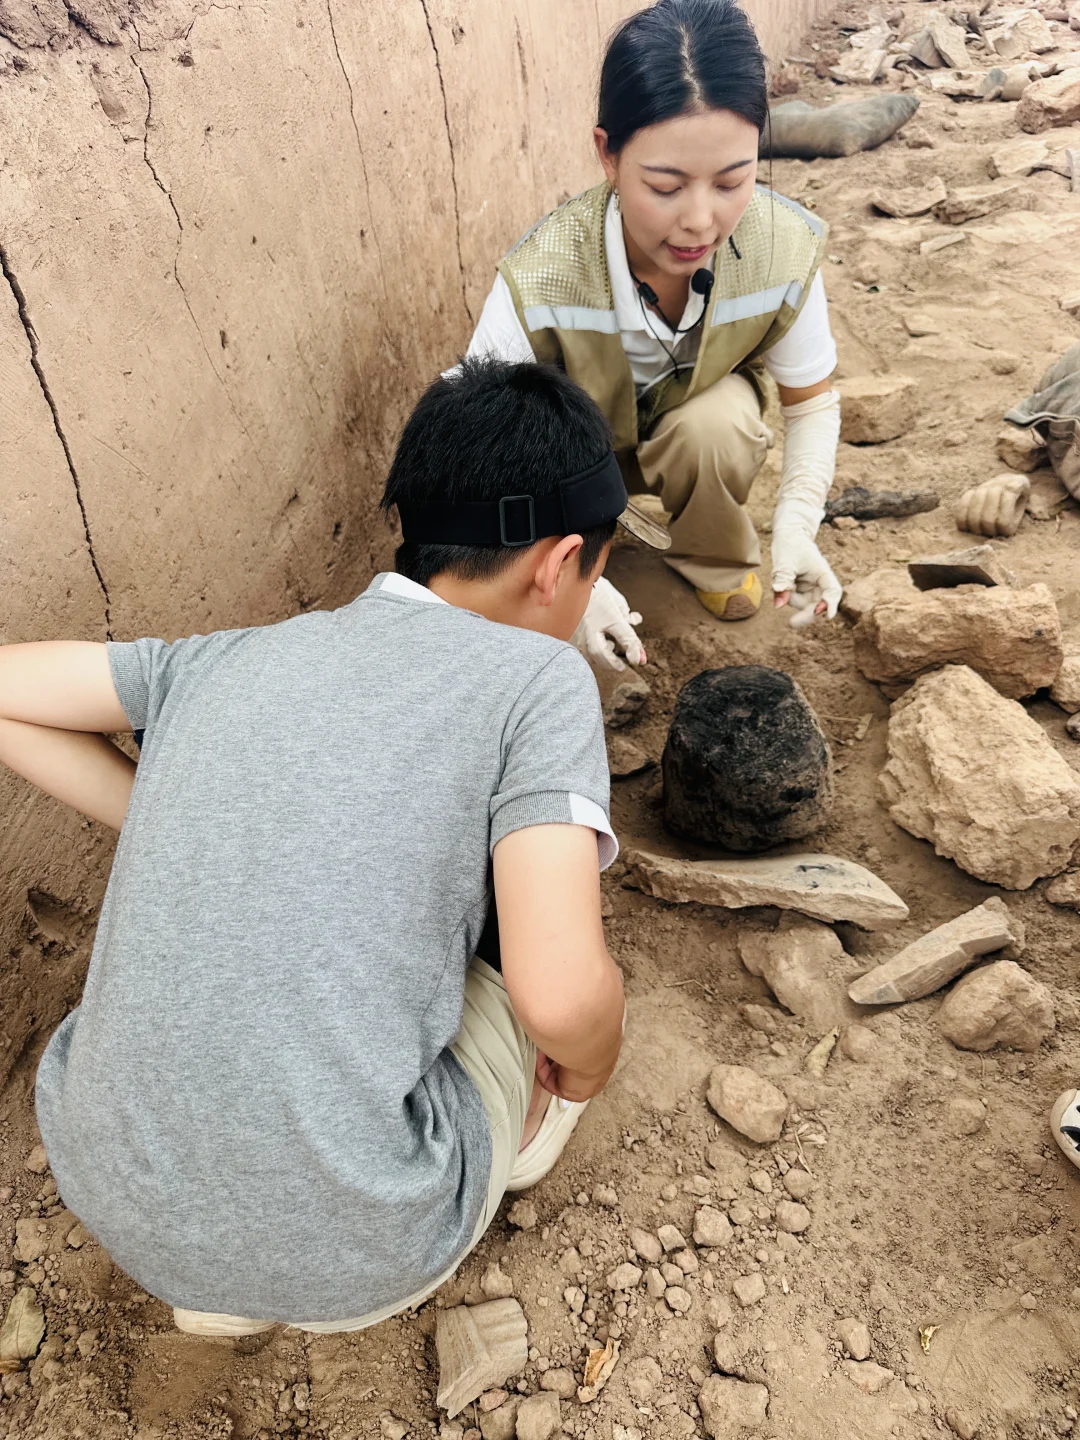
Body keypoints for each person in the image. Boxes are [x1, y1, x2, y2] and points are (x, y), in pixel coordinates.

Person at [0, 358, 661, 1335]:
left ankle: (221, 1280)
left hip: (119, 1201)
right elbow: (559, 993)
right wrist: (588, 1067)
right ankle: (513, 1141)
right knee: (529, 909)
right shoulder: (537, 681)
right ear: (561, 565)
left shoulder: (225, 656)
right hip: (372, 1244)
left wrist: (190, 806)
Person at [467, 0, 843, 664]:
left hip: (689, 435)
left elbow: (811, 400)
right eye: (666, 186)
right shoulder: (545, 274)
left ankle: (713, 560)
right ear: (608, 155)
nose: (701, 220)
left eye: (732, 180)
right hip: (572, 460)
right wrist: (569, 582)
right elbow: (475, 447)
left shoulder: (783, 247)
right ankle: (582, 556)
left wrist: (796, 523)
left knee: (716, 426)